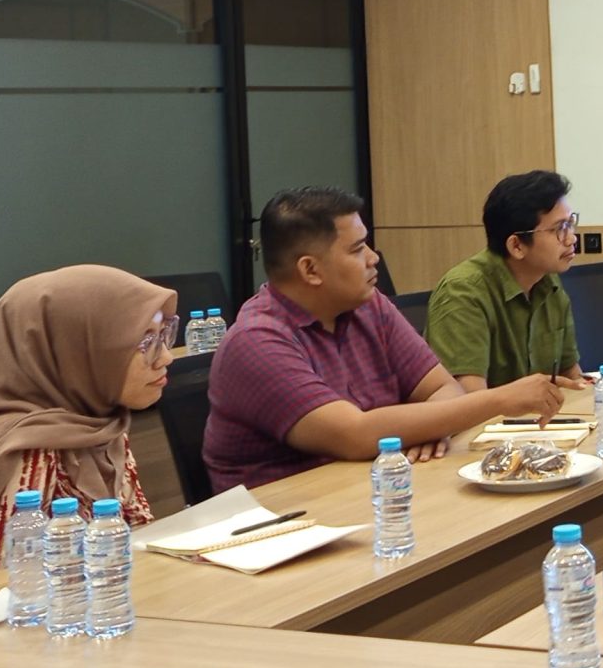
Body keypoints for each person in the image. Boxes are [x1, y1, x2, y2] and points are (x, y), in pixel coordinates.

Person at [203, 185, 562, 493]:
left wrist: (427, 427)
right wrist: (500, 399)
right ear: (310, 269)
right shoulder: (257, 341)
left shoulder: (369, 306)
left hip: (371, 493)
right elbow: (355, 435)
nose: (374, 258)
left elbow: (444, 389)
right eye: (357, 249)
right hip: (283, 520)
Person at [0, 264, 175, 593]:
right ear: (77, 352)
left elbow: (135, 532)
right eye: (145, 343)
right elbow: (4, 596)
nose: (165, 357)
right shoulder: (26, 456)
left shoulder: (99, 425)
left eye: (164, 335)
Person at [426, 169, 592, 394]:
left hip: (542, 415)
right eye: (559, 229)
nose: (571, 238)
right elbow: (468, 401)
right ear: (517, 245)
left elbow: (570, 376)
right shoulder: (462, 292)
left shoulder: (548, 282)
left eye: (570, 224)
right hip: (490, 418)